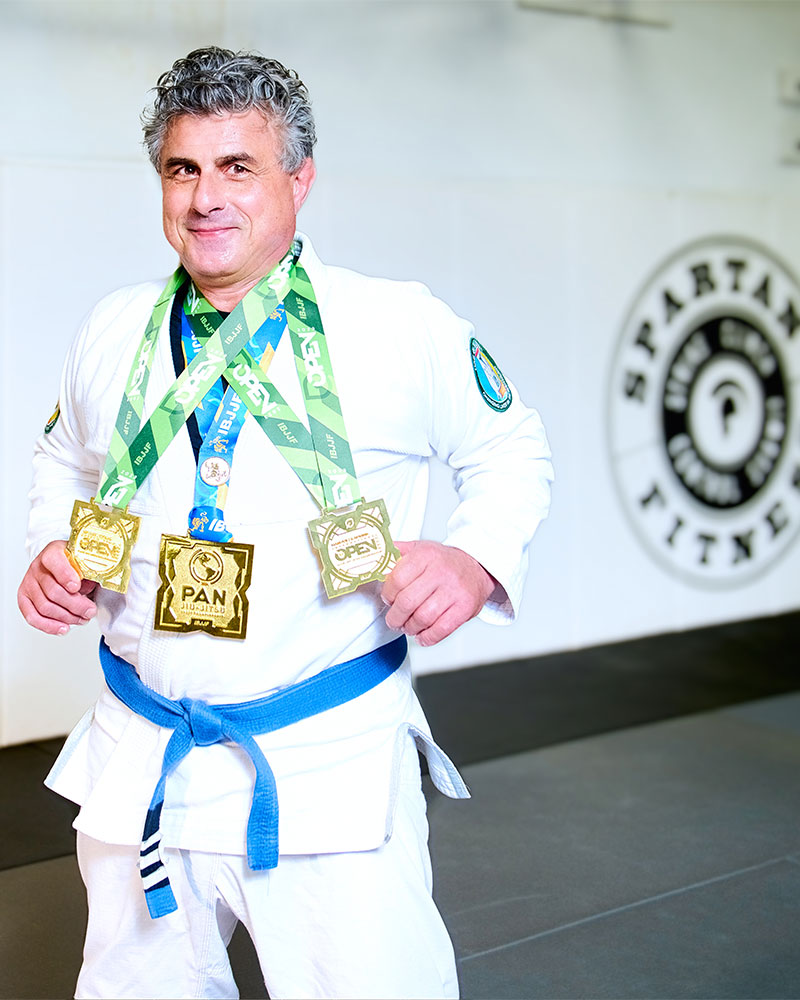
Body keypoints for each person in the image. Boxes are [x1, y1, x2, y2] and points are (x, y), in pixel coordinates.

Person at [18, 46, 553, 1000]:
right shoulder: (115, 328)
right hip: (145, 755)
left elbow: (511, 450)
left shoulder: (395, 324)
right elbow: (63, 461)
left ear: (299, 180)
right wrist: (51, 549)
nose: (206, 197)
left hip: (323, 763)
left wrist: (474, 559)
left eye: (238, 167)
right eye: (184, 169)